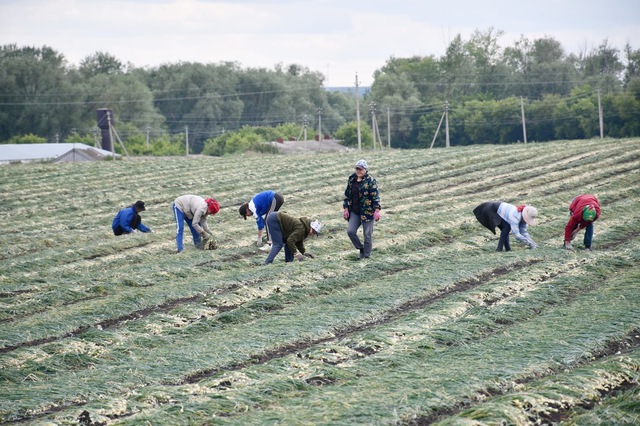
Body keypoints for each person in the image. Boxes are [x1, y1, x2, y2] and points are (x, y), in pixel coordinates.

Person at [343, 159, 381, 260]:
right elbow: (347, 194)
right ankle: (361, 248)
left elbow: (375, 196)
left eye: (361, 169)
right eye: (357, 169)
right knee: (350, 231)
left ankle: (367, 257)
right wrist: (346, 208)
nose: (359, 171)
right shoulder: (352, 179)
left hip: (367, 212)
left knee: (367, 236)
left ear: (365, 169)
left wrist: (377, 211)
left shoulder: (371, 181)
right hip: (355, 211)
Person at [473, 201, 538, 251]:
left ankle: (507, 249)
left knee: (506, 227)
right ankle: (499, 249)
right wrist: (529, 244)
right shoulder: (515, 217)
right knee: (506, 227)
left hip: (496, 208)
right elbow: (516, 234)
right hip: (490, 209)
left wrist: (533, 243)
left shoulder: (522, 219)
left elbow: (524, 233)